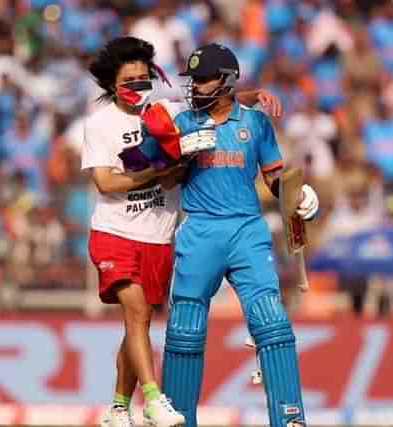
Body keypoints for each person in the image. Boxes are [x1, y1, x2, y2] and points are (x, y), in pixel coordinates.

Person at [82, 37, 283, 427]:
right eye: (129, 81)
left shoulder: (168, 111)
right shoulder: (100, 124)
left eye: (144, 80)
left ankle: (119, 406)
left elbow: (216, 97)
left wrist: (256, 94)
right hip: (115, 232)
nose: (138, 88)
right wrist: (160, 171)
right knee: (137, 313)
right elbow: (106, 184)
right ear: (111, 85)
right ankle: (153, 399)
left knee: (137, 324)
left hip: (157, 236)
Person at [137, 43, 319, 427]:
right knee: (185, 328)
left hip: (246, 229)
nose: (196, 86)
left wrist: (298, 197)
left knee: (271, 320)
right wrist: (178, 156)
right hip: (199, 228)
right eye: (194, 79)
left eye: (203, 79)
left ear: (227, 81)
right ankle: (179, 419)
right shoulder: (183, 123)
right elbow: (157, 174)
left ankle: (289, 417)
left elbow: (273, 178)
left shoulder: (254, 124)